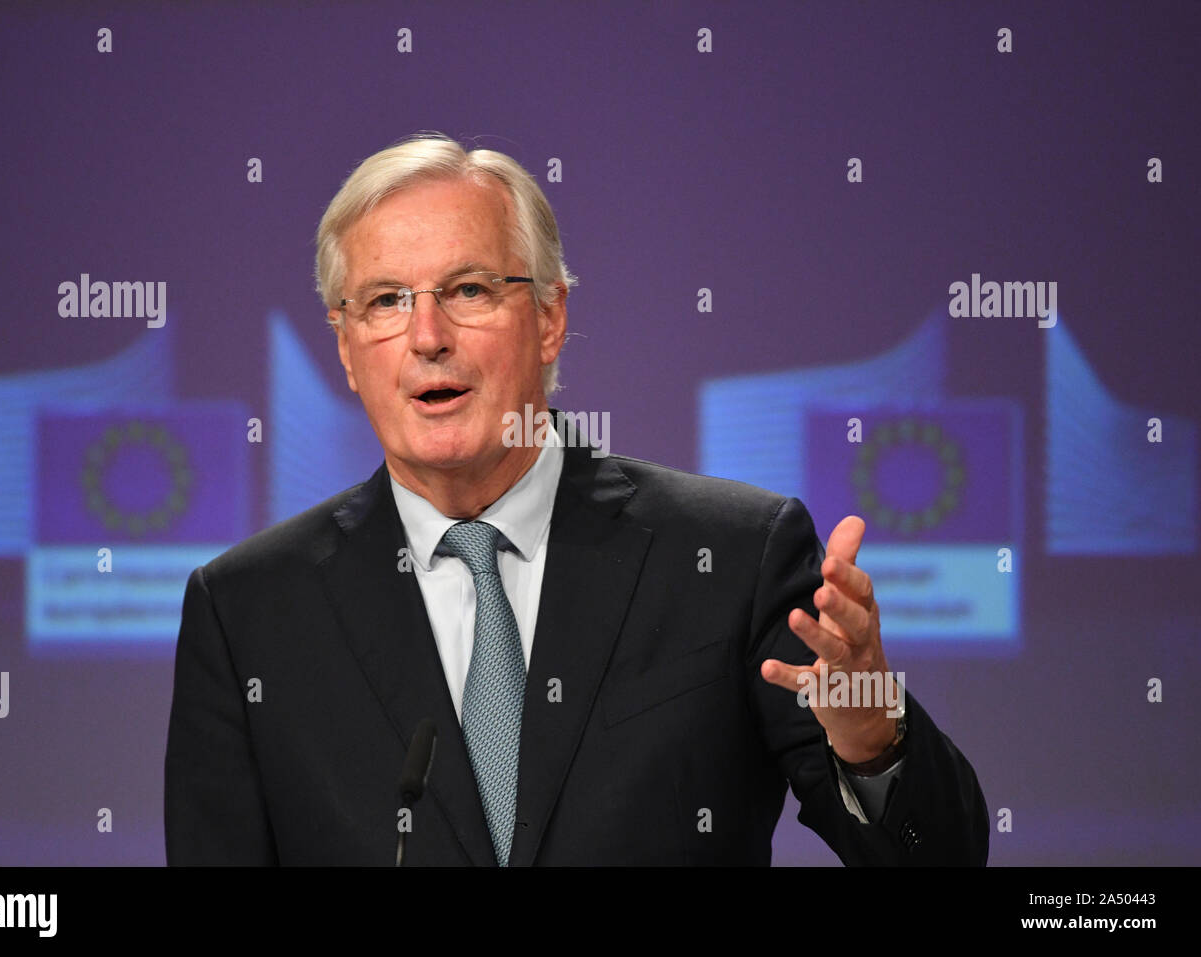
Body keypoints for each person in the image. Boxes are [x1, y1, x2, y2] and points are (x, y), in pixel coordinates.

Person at [163, 132, 989, 866]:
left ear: (550, 316)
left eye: (470, 290)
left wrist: (871, 730)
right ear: (346, 348)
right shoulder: (247, 613)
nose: (427, 336)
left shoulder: (732, 557)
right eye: (385, 301)